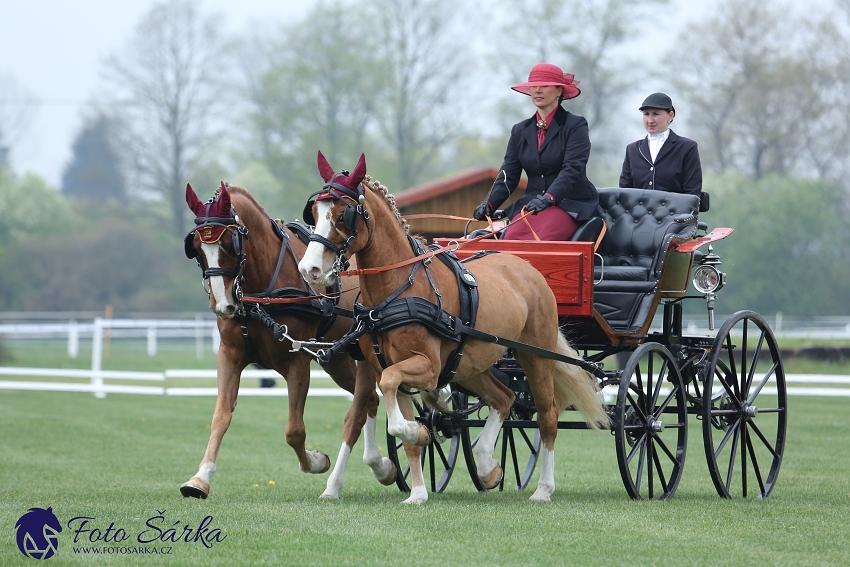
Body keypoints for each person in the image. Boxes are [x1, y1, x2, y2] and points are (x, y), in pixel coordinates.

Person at [472, 63, 598, 241]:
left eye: (544, 85)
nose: (538, 90)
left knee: (539, 241)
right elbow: (508, 175)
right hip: (531, 206)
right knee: (510, 240)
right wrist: (489, 203)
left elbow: (573, 169)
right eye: (534, 86)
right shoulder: (519, 130)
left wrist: (549, 198)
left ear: (559, 91)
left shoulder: (575, 125)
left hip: (569, 204)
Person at [619, 92, 702, 196]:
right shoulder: (632, 150)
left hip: (676, 212)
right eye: (646, 114)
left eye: (656, 114)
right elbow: (624, 192)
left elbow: (692, 192)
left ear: (670, 115)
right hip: (637, 212)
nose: (650, 120)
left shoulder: (687, 148)